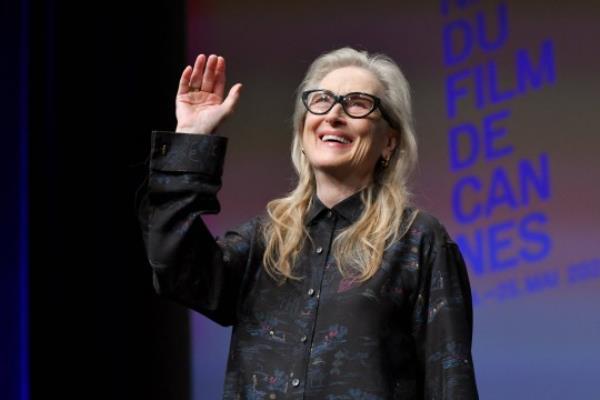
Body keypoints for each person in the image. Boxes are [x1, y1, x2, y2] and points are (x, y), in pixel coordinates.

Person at [139, 48, 479, 399]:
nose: (334, 114)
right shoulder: (264, 239)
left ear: (388, 143)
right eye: (321, 101)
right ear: (303, 132)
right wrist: (192, 138)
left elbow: (449, 380)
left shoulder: (418, 240)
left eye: (358, 103)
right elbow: (174, 268)